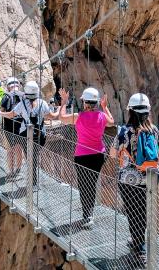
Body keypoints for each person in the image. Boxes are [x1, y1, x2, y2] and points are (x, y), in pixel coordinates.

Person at [111, 92, 159, 257]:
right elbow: (158, 152)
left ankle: (138, 243)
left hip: (127, 179)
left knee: (132, 211)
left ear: (130, 111)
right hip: (148, 177)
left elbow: (112, 153)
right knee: (142, 210)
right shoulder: (154, 131)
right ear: (148, 111)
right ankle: (140, 241)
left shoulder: (124, 131)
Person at [58, 87, 115, 228]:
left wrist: (64, 101)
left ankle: (87, 214)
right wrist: (105, 107)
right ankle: (89, 212)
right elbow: (112, 122)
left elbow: (61, 118)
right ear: (96, 103)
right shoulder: (102, 116)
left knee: (84, 185)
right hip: (99, 155)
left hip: (82, 155)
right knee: (92, 182)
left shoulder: (79, 116)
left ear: (84, 102)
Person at [0, 81, 60, 188]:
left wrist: (0, 113)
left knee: (30, 158)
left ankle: (32, 181)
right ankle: (33, 181)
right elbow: (52, 116)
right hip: (40, 135)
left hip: (25, 135)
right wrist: (60, 110)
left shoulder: (22, 104)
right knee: (33, 157)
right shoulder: (42, 103)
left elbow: (11, 115)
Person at [0, 77, 24, 178]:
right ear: (18, 85)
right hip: (22, 126)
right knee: (19, 148)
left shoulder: (6, 96)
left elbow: (2, 110)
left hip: (8, 127)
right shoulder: (24, 96)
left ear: (8, 86)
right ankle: (18, 170)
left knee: (10, 150)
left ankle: (11, 171)